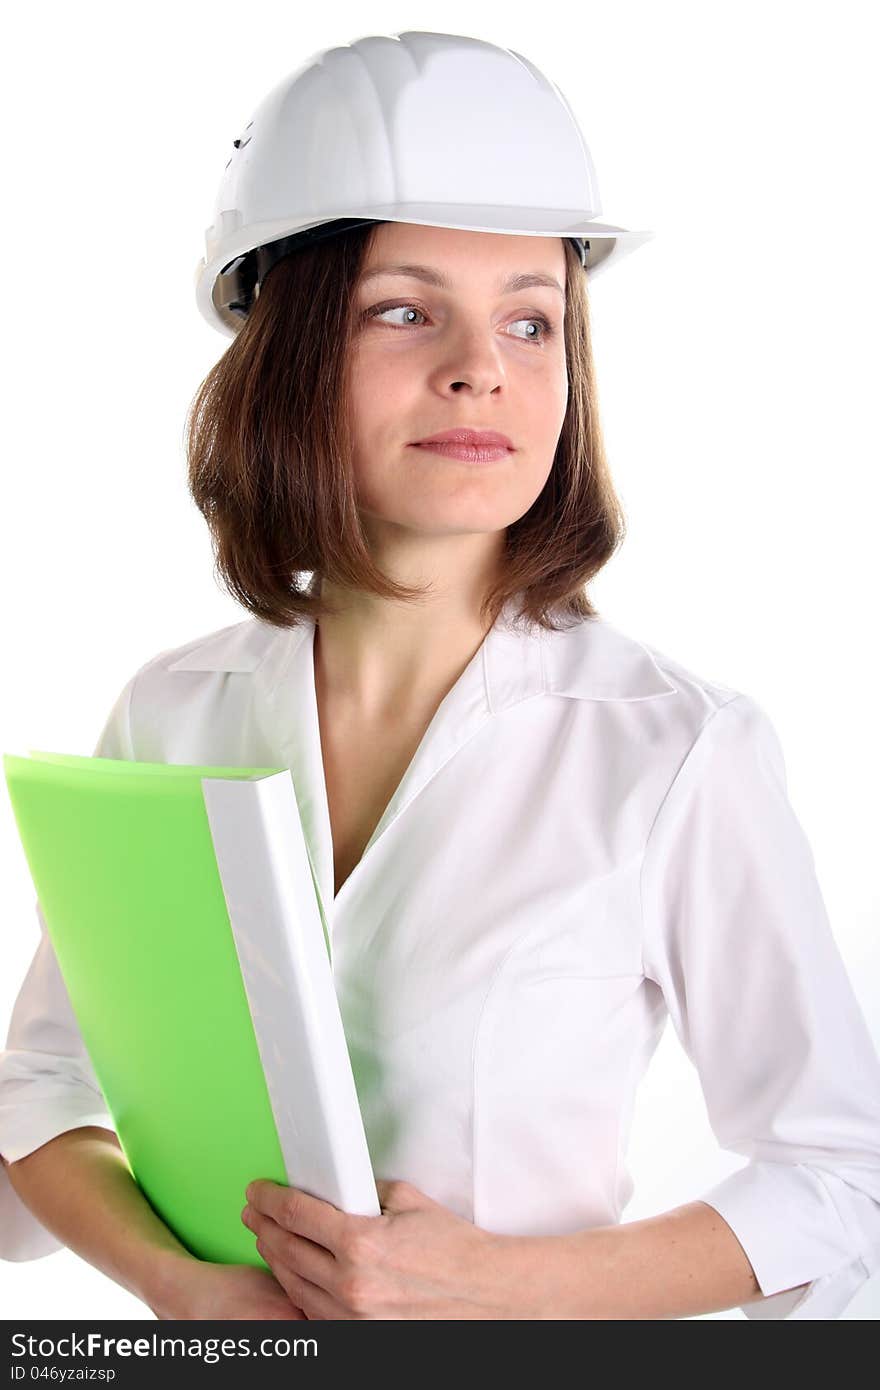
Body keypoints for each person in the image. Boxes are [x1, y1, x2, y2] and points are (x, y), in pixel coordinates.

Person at [2, 31, 880, 1321]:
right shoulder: (174, 712)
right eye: (404, 310)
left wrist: (508, 1288)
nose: (483, 365)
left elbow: (847, 1184)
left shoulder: (674, 749)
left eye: (532, 317)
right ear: (284, 355)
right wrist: (186, 1291)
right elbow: (42, 1094)